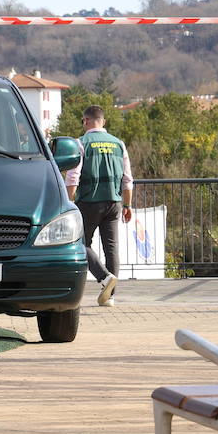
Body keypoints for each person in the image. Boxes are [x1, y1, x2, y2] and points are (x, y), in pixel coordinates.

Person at [64, 105, 133, 306]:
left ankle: (104, 277)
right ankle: (110, 296)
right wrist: (127, 205)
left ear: (85, 121)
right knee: (111, 248)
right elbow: (128, 180)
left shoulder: (81, 143)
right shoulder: (118, 144)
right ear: (103, 121)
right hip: (114, 202)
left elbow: (72, 178)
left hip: (89, 202)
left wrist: (68, 204)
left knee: (78, 243)